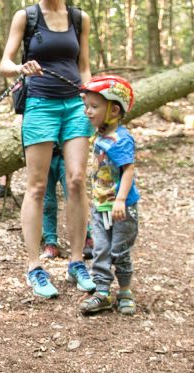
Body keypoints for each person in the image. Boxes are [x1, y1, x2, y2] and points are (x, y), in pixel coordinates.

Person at [0, 0, 95, 298]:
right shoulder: (25, 17)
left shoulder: (79, 18)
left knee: (76, 180)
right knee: (37, 186)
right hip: (40, 105)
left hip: (75, 106)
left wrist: (91, 99)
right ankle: (34, 267)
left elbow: (84, 66)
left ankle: (77, 262)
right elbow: (4, 64)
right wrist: (21, 68)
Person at [78, 75, 140, 315]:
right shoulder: (101, 134)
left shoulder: (121, 139)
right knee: (100, 249)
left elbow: (128, 170)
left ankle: (125, 291)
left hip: (121, 208)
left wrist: (121, 200)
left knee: (119, 251)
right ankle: (102, 292)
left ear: (114, 110)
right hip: (100, 205)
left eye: (94, 106)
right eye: (87, 106)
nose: (88, 111)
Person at [40, 142, 95, 260]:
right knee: (48, 202)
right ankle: (50, 243)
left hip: (67, 153)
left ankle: (86, 238)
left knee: (74, 196)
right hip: (44, 152)